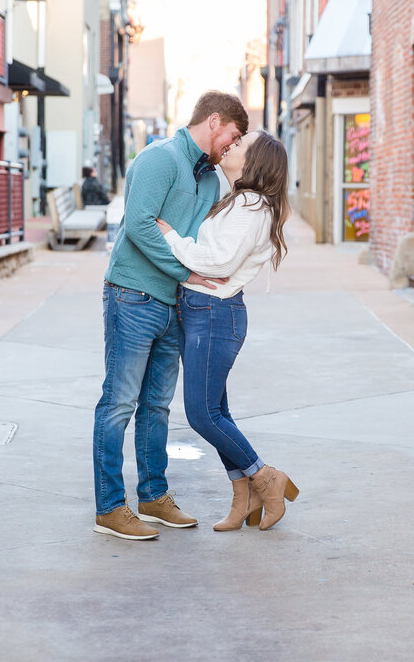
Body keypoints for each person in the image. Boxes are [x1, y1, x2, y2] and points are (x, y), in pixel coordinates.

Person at [92, 91, 248, 541]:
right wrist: (187, 272)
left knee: (157, 405)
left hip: (173, 304)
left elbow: (203, 239)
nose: (231, 147)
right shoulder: (159, 159)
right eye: (232, 137)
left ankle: (154, 496)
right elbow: (138, 225)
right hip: (132, 296)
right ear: (214, 121)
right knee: (119, 402)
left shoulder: (212, 179)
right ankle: (109, 507)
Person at [156, 130, 299, 531]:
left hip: (216, 314)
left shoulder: (252, 206)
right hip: (206, 312)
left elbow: (217, 262)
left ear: (256, 162)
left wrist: (170, 237)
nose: (232, 146)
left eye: (240, 145)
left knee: (202, 414)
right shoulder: (239, 199)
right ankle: (245, 496)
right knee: (218, 411)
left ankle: (266, 477)